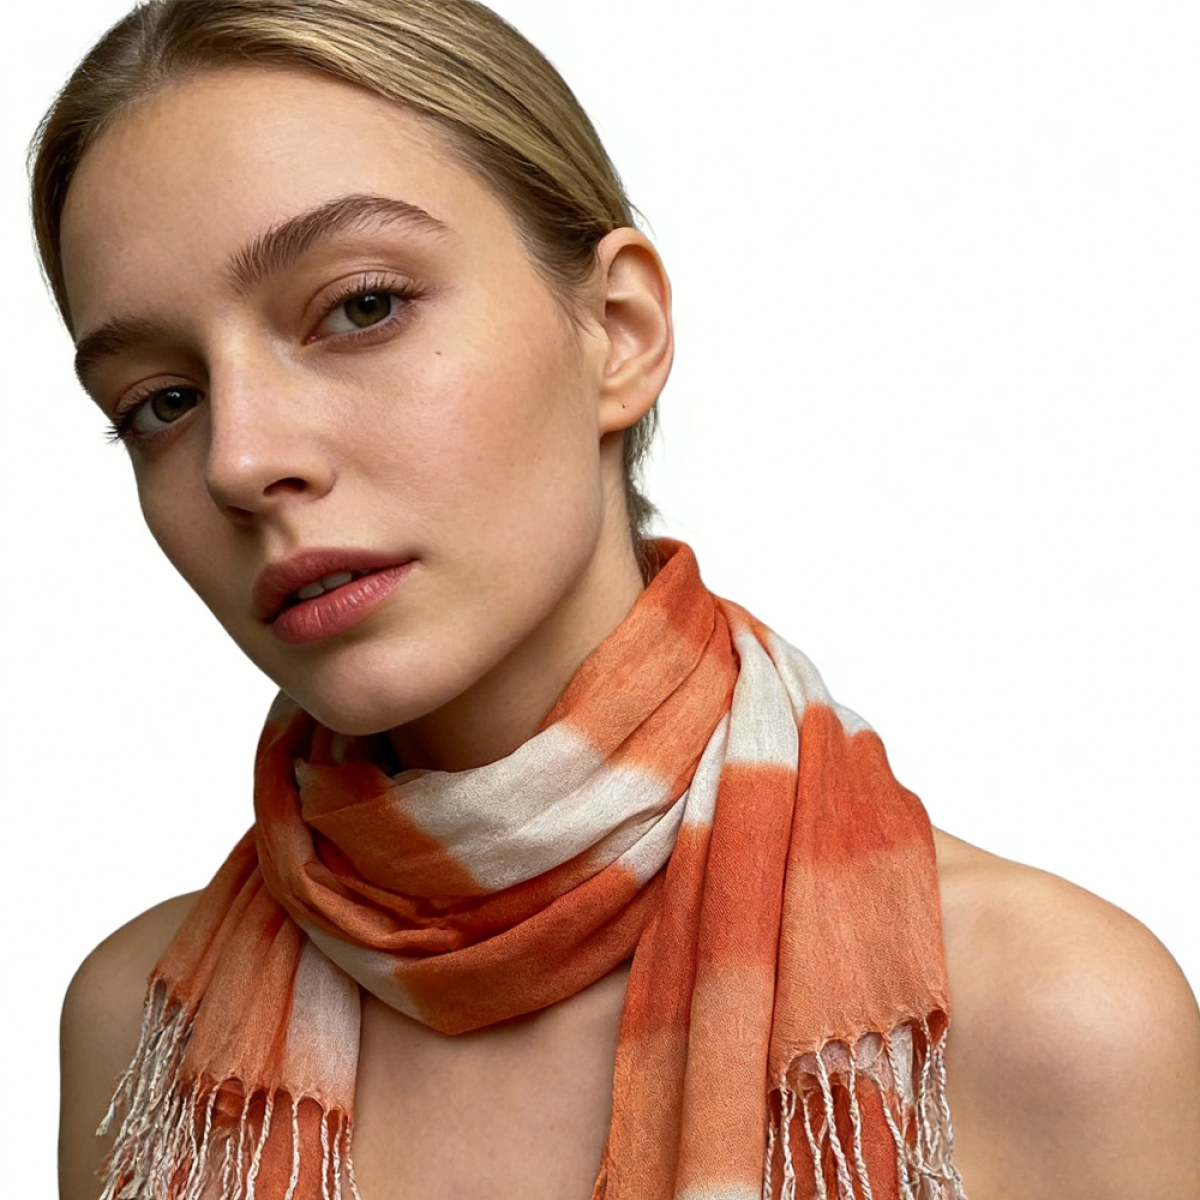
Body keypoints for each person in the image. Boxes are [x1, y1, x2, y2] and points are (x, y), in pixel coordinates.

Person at [29, 1, 1200, 1198]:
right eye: (160, 402)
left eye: (361, 305)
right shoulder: (140, 1036)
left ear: (618, 332)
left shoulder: (1042, 1021)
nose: (238, 459)